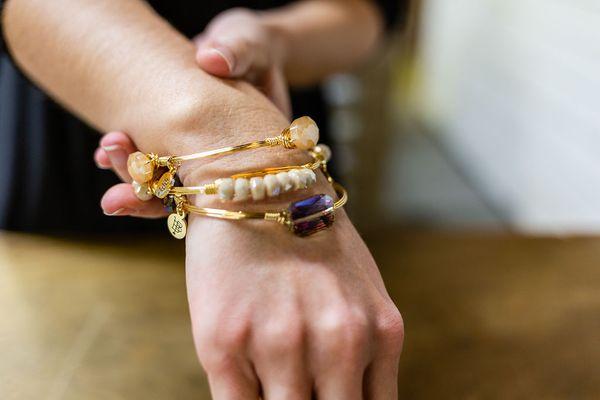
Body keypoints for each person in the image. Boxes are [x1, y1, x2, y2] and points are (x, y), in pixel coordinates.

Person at [1, 1, 405, 398]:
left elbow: (368, 9)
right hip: (68, 126)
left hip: (278, 105)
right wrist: (224, 138)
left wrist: (276, 39)